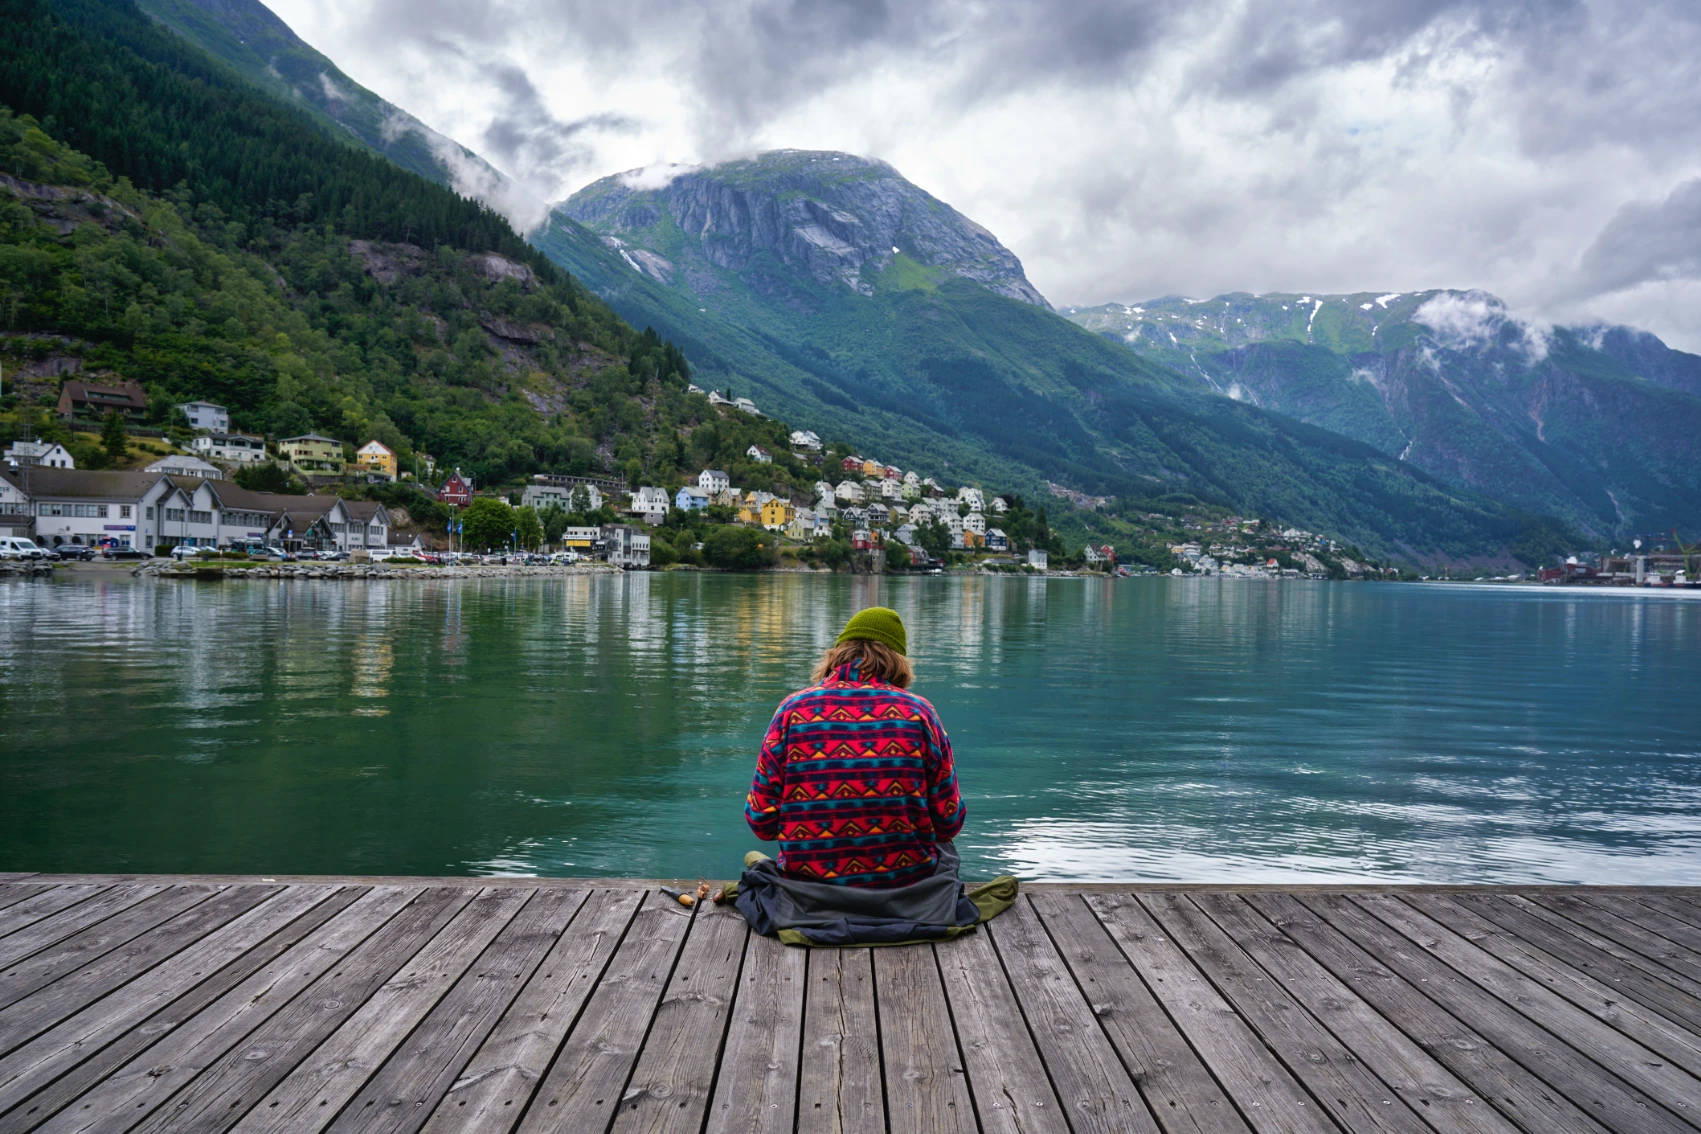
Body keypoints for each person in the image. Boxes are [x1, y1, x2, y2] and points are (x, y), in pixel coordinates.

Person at [731, 606, 1012, 945]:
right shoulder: (920, 713)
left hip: (808, 893)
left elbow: (761, 823)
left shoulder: (792, 711)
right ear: (897, 661)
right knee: (945, 849)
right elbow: (949, 823)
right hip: (909, 891)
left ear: (837, 654)